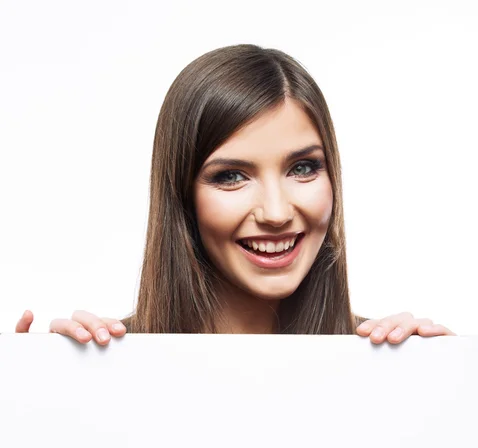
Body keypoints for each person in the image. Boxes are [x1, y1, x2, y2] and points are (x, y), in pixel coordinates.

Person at [14, 44, 455, 345]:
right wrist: (35, 402)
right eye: (231, 177)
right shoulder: (106, 369)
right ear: (183, 197)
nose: (278, 212)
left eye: (303, 168)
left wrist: (444, 396)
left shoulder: (390, 366)